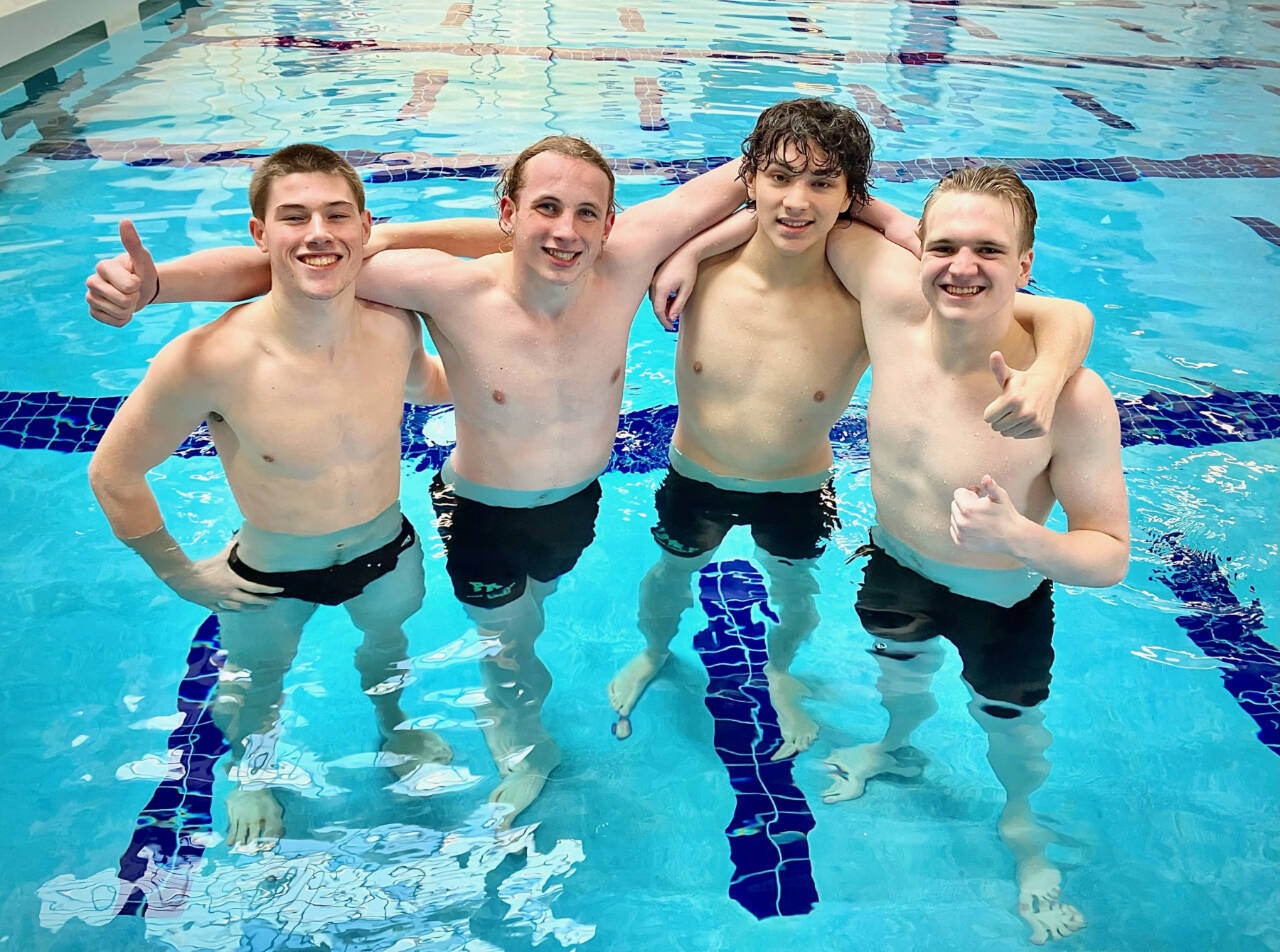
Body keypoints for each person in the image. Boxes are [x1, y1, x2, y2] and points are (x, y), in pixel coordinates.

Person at [85, 126, 912, 826]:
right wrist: (157, 287)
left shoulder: (622, 267)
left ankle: (486, 703)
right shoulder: (447, 286)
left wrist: (898, 223)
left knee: (534, 611)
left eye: (587, 211)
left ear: (612, 223)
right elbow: (295, 260)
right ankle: (524, 742)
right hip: (482, 510)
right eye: (544, 208)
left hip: (577, 505)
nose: (566, 229)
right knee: (507, 642)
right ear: (509, 214)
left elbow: (768, 170)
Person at [612, 104, 1094, 761]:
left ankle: (781, 672)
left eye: (822, 184)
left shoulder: (865, 291)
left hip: (798, 487)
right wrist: (694, 247)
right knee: (669, 573)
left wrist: (1047, 376)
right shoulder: (692, 268)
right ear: (748, 180)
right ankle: (652, 652)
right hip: (694, 474)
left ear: (849, 198)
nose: (797, 202)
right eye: (780, 178)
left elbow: (1049, 309)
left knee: (795, 592)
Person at [87, 144, 458, 851]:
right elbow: (113, 472)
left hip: (387, 550)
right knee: (258, 683)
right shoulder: (208, 359)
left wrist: (515, 380)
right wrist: (181, 572)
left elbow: (426, 384)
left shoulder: (393, 325)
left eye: (335, 214)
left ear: (364, 228)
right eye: (294, 216)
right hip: (268, 575)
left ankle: (396, 728)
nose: (318, 231)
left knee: (388, 650)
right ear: (259, 234)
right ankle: (252, 771)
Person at [820, 165, 1128, 945]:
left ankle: (1026, 838)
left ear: (1026, 267)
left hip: (1003, 603)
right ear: (916, 248)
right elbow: (822, 206)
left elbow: (1111, 555)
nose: (962, 267)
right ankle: (893, 747)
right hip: (894, 563)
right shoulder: (889, 306)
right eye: (945, 245)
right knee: (900, 676)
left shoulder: (1074, 398)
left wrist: (1018, 538)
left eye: (989, 251)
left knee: (1012, 734)